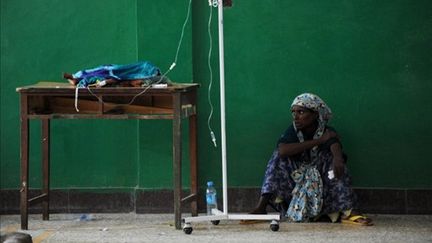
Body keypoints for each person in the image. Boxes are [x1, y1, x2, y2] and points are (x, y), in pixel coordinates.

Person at [244, 93, 373, 226]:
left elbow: (334, 144)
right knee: (278, 156)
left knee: (332, 158)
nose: (296, 116)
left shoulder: (326, 130)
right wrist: (319, 140)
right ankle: (261, 207)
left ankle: (350, 211)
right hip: (296, 184)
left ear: (315, 114)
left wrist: (338, 158)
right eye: (293, 112)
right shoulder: (293, 130)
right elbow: (283, 150)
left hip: (322, 187)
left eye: (301, 112)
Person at [63, 61, 165, 88]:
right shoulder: (145, 68)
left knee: (97, 75)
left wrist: (104, 82)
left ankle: (75, 78)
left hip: (116, 75)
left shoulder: (149, 77)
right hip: (115, 71)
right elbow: (120, 75)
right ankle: (75, 77)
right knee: (103, 70)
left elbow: (118, 79)